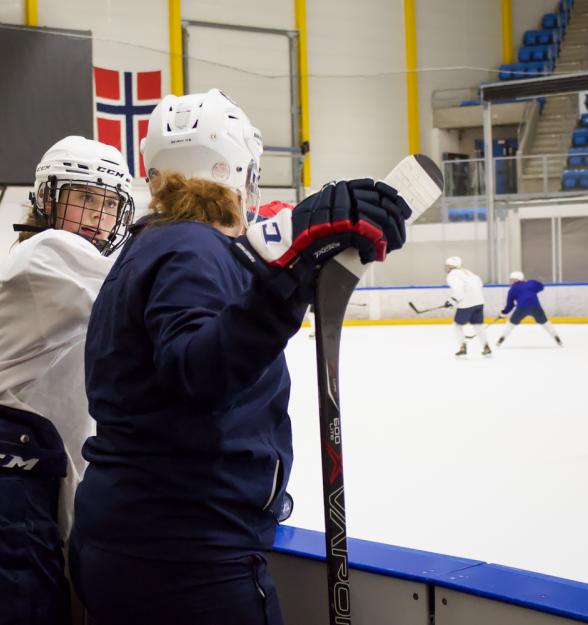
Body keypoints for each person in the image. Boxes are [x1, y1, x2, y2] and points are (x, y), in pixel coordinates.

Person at [69, 89, 411, 625]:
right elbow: (198, 372)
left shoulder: (151, 244)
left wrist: (285, 275)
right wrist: (285, 275)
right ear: (239, 170)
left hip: (136, 535)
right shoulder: (193, 247)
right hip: (187, 559)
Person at [0, 136, 135, 625]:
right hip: (1, 477)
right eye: (83, 198)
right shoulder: (50, 250)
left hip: (11, 473)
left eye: (107, 205)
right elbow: (141, 298)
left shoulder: (51, 254)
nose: (96, 217)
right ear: (46, 197)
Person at [497, 271, 562, 347]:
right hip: (535, 307)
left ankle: (502, 338)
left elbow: (510, 305)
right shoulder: (530, 284)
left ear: (517, 279)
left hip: (521, 308)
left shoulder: (512, 289)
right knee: (545, 323)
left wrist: (504, 313)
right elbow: (541, 287)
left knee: (511, 324)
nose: (511, 281)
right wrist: (533, 283)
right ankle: (556, 337)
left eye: (513, 279)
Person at [444, 256, 491, 357]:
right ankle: (487, 348)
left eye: (448, 266)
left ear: (451, 266)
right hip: (479, 302)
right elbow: (480, 283)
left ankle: (462, 349)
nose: (446, 268)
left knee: (457, 326)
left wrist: (452, 301)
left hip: (467, 304)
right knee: (478, 326)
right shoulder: (467, 272)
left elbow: (459, 289)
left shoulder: (453, 274)